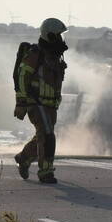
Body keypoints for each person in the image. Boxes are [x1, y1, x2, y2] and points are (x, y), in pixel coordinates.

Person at [14, 17, 68, 184]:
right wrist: (21, 102)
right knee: (48, 136)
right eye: (58, 35)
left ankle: (23, 157)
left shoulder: (55, 57)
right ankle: (46, 172)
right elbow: (22, 76)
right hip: (36, 103)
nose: (61, 39)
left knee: (41, 137)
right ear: (49, 35)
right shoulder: (35, 55)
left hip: (51, 105)